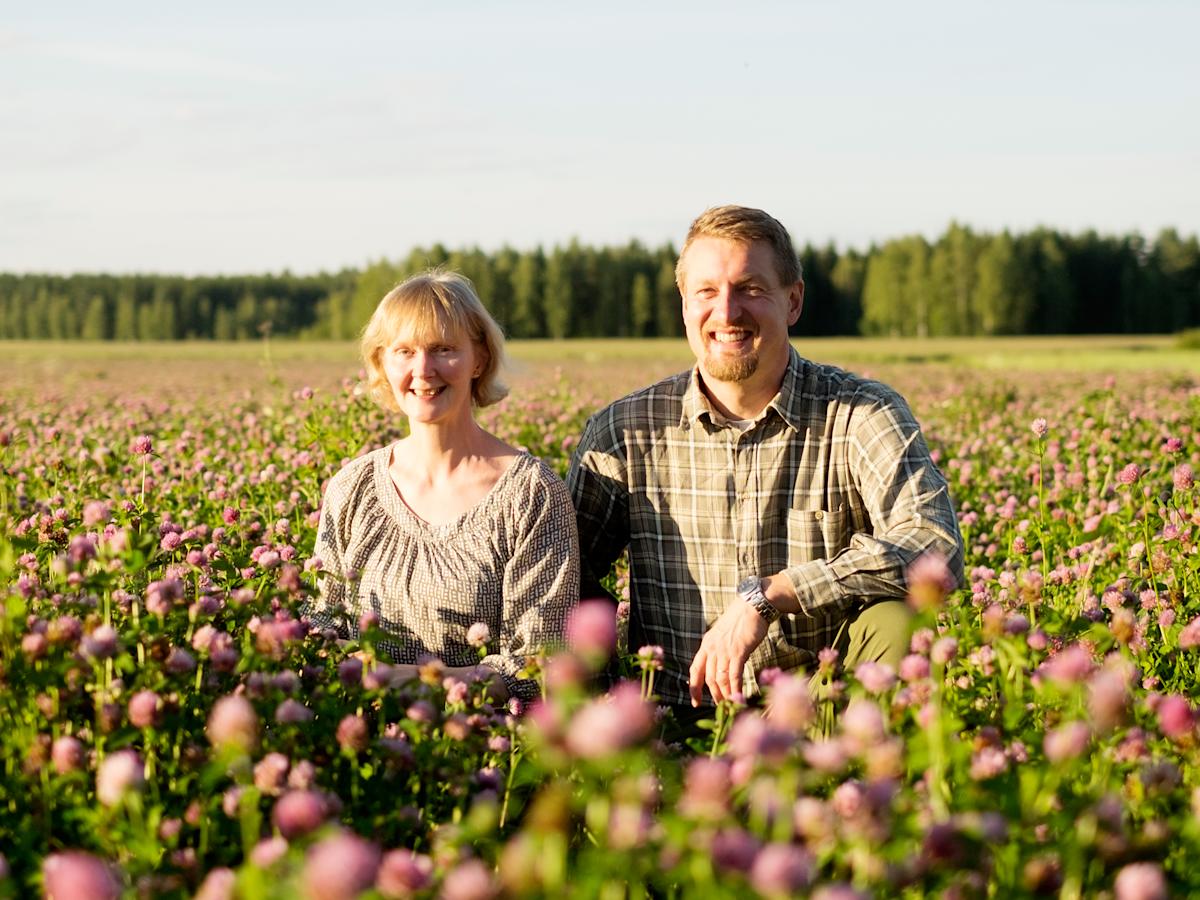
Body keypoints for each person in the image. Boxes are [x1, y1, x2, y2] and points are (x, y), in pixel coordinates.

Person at [567, 205, 963, 729]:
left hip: (822, 710)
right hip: (679, 720)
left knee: (896, 621)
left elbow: (935, 544)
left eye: (750, 288)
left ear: (792, 300)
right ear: (684, 304)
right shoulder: (624, 431)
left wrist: (772, 596)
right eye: (706, 291)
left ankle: (864, 783)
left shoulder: (860, 412)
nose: (727, 312)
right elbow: (564, 574)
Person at [309, 271, 579, 702]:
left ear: (479, 359)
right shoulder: (352, 487)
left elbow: (539, 664)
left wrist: (401, 683)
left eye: (444, 349)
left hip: (487, 753)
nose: (423, 370)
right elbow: (319, 625)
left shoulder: (531, 493)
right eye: (405, 351)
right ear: (382, 364)